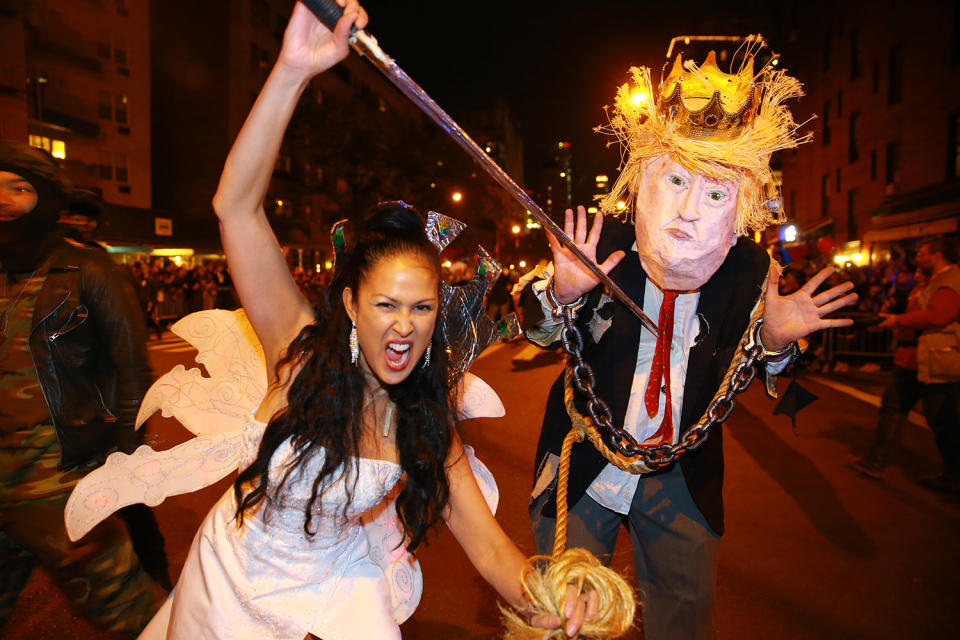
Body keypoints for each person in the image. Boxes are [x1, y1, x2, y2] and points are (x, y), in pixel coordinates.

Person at [137, 3, 596, 638]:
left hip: (339, 588)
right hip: (232, 584)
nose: (403, 326)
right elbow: (235, 208)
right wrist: (293, 71)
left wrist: (550, 598)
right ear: (351, 305)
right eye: (385, 305)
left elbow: (492, 551)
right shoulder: (300, 355)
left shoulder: (428, 423)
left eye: (421, 308)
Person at [521, 47, 857, 639]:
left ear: (740, 205)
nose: (686, 213)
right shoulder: (601, 245)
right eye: (674, 181)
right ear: (647, 180)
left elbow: (760, 371)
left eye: (713, 195)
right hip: (586, 456)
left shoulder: (752, 270)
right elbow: (538, 330)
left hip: (682, 472)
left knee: (683, 619)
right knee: (561, 618)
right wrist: (564, 294)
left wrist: (776, 341)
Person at [0, 141, 169, 633]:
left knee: (131, 609)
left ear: (47, 198)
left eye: (19, 188)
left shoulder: (88, 270)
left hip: (58, 481)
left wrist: (126, 463)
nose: (4, 200)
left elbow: (132, 371)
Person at [851, 237, 960, 492]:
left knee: (941, 420)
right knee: (892, 409)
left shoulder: (950, 281)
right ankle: (875, 462)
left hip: (935, 361)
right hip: (914, 359)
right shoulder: (933, 281)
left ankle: (955, 474)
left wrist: (899, 320)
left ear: (938, 254)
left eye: (922, 253)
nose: (917, 258)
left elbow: (939, 316)